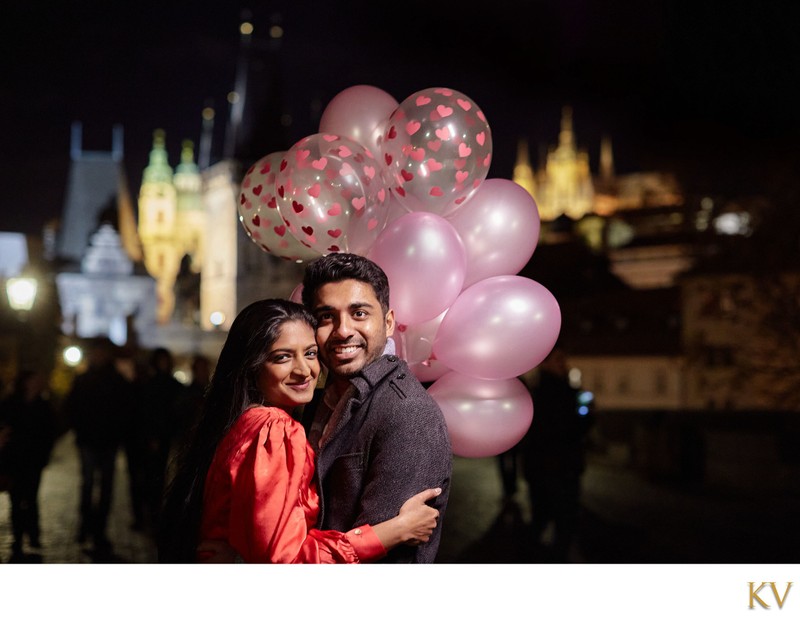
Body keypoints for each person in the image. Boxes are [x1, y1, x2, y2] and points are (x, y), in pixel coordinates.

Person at [158, 298, 441, 563]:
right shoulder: (275, 429)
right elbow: (287, 561)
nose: (304, 370)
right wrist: (395, 530)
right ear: (252, 367)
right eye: (282, 357)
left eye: (310, 353)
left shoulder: (243, 422)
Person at [300, 253, 452, 563]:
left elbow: (378, 560)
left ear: (388, 322)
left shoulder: (406, 413)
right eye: (326, 316)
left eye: (358, 313)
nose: (343, 330)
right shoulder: (313, 400)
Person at [519, 346, 594, 562]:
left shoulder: (536, 392)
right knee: (562, 521)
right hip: (560, 468)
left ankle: (533, 556)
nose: (564, 365)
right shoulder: (560, 393)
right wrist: (587, 415)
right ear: (546, 363)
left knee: (543, 518)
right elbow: (570, 428)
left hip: (545, 467)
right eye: (559, 361)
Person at [63, 336, 135, 552]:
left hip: (108, 441)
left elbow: (126, 410)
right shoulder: (83, 379)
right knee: (87, 485)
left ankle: (98, 530)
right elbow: (71, 407)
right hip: (89, 440)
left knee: (105, 488)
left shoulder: (116, 381)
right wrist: (79, 429)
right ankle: (86, 526)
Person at [0, 370, 59, 559]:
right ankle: (18, 538)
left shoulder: (43, 405)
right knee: (16, 499)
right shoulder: (11, 403)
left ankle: (33, 535)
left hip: (34, 459)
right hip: (15, 459)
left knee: (31, 496)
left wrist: (44, 454)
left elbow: (51, 431)